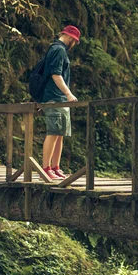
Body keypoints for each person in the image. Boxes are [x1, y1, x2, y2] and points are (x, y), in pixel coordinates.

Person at [40, 25, 81, 180]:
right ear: (70, 38)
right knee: (53, 132)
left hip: (60, 98)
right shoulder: (58, 50)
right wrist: (68, 93)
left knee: (60, 133)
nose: (73, 45)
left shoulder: (59, 50)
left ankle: (55, 167)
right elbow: (55, 75)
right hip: (55, 97)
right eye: (74, 41)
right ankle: (46, 168)